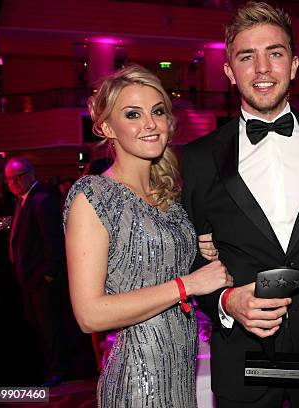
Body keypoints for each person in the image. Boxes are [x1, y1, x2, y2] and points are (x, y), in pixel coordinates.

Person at [181, 2, 299, 407]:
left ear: (295, 64)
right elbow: (186, 255)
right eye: (247, 57)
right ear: (229, 72)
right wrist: (225, 302)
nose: (262, 69)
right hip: (244, 366)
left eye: (274, 54)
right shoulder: (197, 159)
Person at [63, 65, 232, 406]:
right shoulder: (93, 195)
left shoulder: (169, 195)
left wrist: (203, 250)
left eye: (157, 112)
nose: (150, 123)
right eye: (133, 114)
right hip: (138, 380)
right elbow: (89, 315)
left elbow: (161, 263)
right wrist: (190, 284)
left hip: (181, 371)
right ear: (108, 127)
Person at [5, 157, 70, 387]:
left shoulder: (42, 200)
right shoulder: (22, 201)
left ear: (30, 174)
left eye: (17, 177)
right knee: (40, 328)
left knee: (51, 328)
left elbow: (54, 243)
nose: (13, 183)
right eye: (9, 179)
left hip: (42, 280)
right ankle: (51, 369)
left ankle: (59, 371)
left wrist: (48, 274)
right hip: (29, 280)